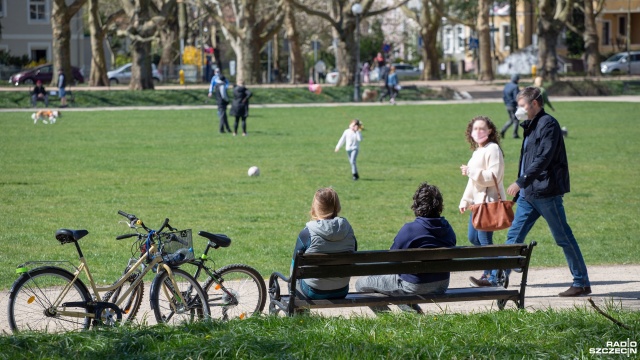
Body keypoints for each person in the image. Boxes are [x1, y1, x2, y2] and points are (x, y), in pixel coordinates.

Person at [482, 87, 591, 297]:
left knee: (563, 237)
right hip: (528, 194)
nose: (518, 109)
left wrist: (521, 181)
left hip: (546, 192)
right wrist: (520, 189)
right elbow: (527, 160)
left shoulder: (548, 124)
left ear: (534, 104)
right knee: (513, 237)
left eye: (522, 105)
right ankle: (495, 278)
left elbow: (544, 158)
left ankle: (581, 282)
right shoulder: (530, 124)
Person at [355, 182, 457, 312]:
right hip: (442, 284)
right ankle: (413, 314)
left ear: (417, 205)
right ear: (439, 206)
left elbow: (392, 259)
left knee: (361, 284)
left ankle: (388, 319)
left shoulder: (410, 230)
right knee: (398, 285)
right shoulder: (448, 228)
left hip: (415, 286)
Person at [458, 116, 507, 287]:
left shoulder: (493, 149)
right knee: (474, 238)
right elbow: (473, 183)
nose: (478, 132)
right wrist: (465, 200)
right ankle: (494, 268)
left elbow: (493, 176)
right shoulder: (477, 152)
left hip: (489, 202)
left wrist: (471, 171)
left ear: (490, 131)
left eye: (482, 129)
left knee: (484, 240)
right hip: (477, 204)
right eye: (475, 129)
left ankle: (492, 277)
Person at [291, 188, 357, 300]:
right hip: (341, 290)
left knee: (294, 278)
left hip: (313, 291)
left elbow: (294, 265)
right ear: (337, 206)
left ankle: (302, 317)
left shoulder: (307, 233)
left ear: (315, 208)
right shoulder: (348, 230)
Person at [500, 74, 520, 139]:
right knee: (516, 120)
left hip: (507, 105)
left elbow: (504, 96)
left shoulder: (506, 85)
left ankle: (502, 131)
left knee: (512, 119)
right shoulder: (515, 87)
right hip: (513, 105)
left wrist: (506, 103)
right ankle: (515, 134)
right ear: (516, 79)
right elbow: (516, 97)